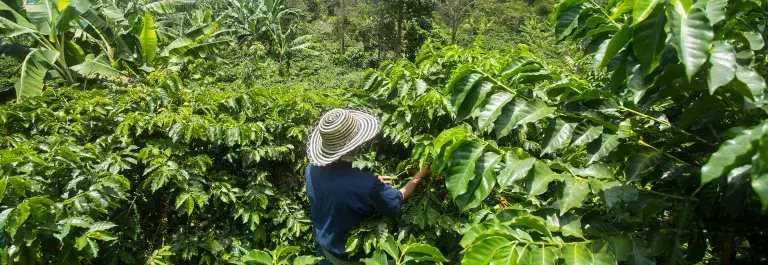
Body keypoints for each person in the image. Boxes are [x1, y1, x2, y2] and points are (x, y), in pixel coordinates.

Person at [304, 108, 431, 265]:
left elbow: (336, 190)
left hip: (324, 256)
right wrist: (420, 174)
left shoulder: (311, 168)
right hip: (352, 259)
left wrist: (368, 185)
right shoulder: (364, 184)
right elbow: (396, 199)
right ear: (353, 145)